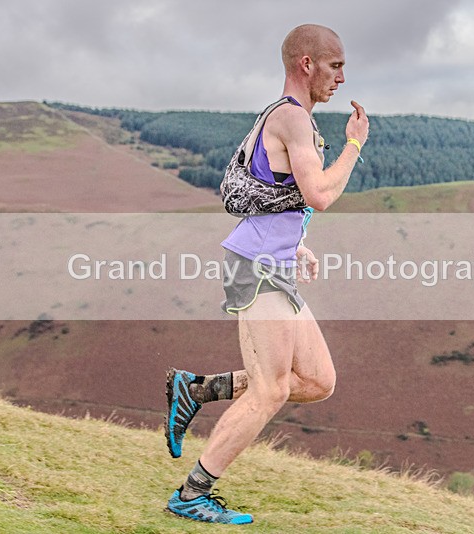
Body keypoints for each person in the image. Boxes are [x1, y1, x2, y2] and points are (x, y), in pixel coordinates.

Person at [165, 23, 369, 524]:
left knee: (318, 380)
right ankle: (191, 495)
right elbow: (319, 192)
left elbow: (275, 193)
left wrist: (296, 242)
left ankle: (197, 390)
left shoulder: (288, 119)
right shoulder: (293, 120)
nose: (342, 76)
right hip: (256, 269)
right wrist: (354, 146)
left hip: (275, 265)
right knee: (272, 388)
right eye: (335, 65)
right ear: (306, 64)